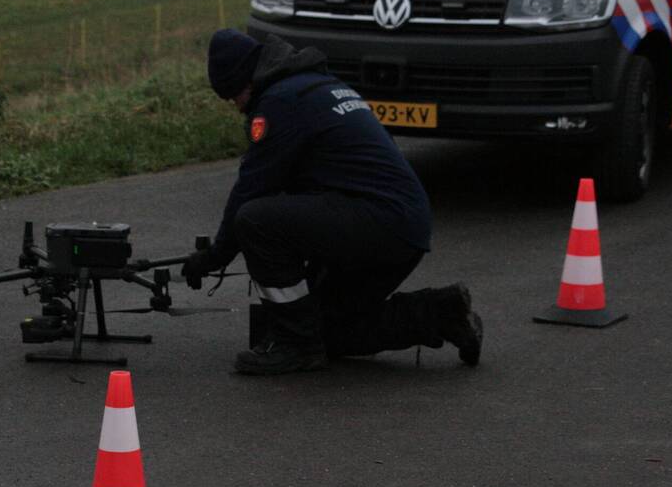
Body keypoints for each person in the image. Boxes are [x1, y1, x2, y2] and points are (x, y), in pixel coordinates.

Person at [182, 28, 482, 375]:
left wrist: (214, 257)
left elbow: (251, 190)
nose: (236, 107)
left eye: (233, 96)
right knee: (328, 329)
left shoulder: (280, 102)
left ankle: (295, 345)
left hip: (378, 221)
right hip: (402, 224)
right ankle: (444, 314)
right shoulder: (319, 86)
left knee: (254, 220)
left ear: (244, 80)